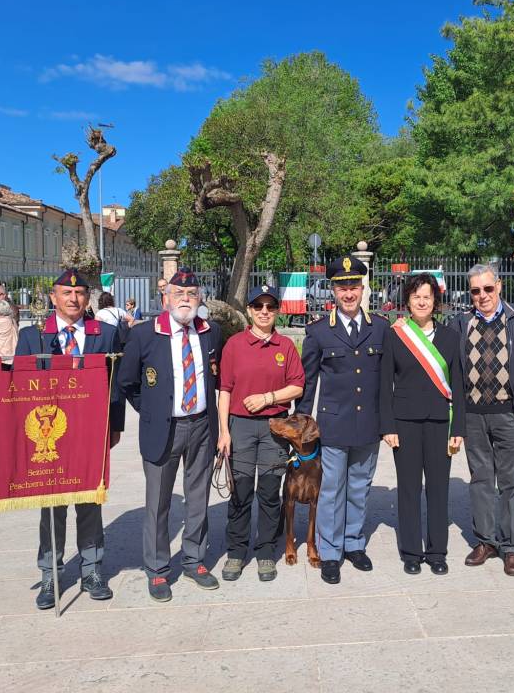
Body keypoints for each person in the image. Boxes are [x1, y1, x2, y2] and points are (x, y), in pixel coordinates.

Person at [15, 268, 125, 610]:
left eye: (79, 294)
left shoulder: (105, 333)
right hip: (50, 434)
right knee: (51, 505)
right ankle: (51, 573)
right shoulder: (34, 336)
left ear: (88, 298)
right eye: (66, 293)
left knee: (90, 502)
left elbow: (116, 384)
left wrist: (115, 426)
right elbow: (18, 387)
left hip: (91, 432)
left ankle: (92, 570)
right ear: (53, 297)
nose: (73, 299)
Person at [118, 267, 223, 602]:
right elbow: (127, 382)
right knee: (158, 503)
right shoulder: (145, 334)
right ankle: (158, 570)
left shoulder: (210, 332)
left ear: (200, 299)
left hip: (202, 427)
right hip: (164, 429)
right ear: (165, 298)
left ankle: (193, 560)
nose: (185, 300)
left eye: (191, 294)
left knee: (198, 498)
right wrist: (150, 413)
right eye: (179, 294)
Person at [446, 264, 514, 576]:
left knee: (510, 483)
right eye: (475, 290)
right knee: (480, 481)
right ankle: (486, 542)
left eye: (488, 289)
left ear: (499, 286)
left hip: (511, 414)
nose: (482, 296)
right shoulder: (459, 324)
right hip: (475, 415)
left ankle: (512, 546)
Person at [297, 255, 389, 585]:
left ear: (362, 289)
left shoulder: (380, 327)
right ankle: (331, 551)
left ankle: (353, 543)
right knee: (333, 489)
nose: (348, 294)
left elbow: (387, 378)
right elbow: (308, 381)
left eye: (354, 287)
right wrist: (303, 426)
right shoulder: (319, 332)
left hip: (369, 424)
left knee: (360, 487)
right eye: (342, 288)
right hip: (333, 424)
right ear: (333, 291)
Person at [217, 285, 305, 583]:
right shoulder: (234, 345)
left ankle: (266, 551)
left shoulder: (285, 347)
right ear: (249, 311)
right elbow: (224, 391)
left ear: (277, 310)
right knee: (240, 492)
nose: (264, 312)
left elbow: (297, 386)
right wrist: (223, 432)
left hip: (274, 427)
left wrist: (268, 398)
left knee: (269, 493)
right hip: (240, 426)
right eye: (258, 306)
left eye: (270, 306)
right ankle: (236, 551)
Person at [380, 272, 465, 575]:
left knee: (439, 489)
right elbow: (384, 383)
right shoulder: (394, 334)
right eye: (416, 296)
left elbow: (458, 385)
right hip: (404, 423)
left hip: (441, 422)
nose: (421, 301)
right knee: (409, 488)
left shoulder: (451, 337)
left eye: (427, 296)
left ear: (436, 301)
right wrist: (387, 426)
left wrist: (458, 430)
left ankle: (437, 551)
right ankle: (412, 551)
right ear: (407, 301)